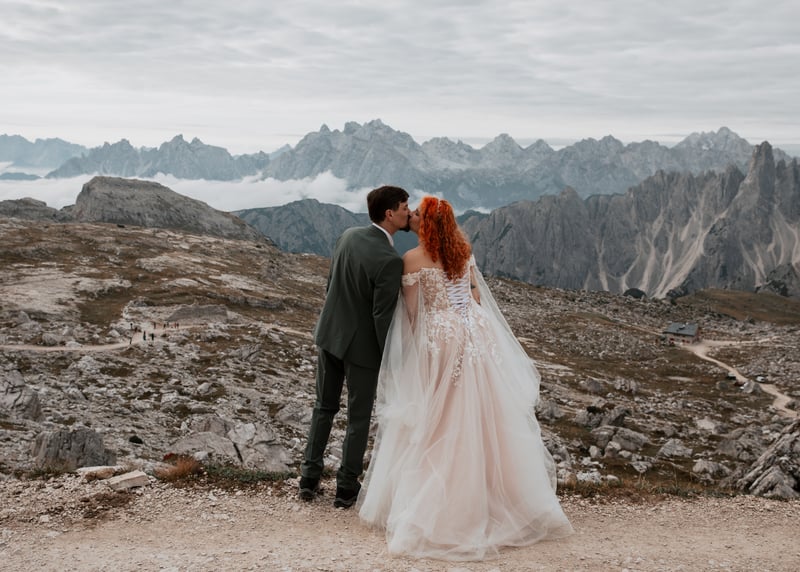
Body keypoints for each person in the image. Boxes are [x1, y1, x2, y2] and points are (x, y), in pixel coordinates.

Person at [357, 196, 573, 560]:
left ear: (427, 225)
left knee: (440, 416)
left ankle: (444, 506)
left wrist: (412, 352)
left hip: (440, 337)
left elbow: (412, 313)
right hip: (475, 333)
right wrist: (468, 322)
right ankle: (495, 496)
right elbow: (474, 294)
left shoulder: (412, 259)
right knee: (484, 413)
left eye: (418, 215)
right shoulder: (464, 251)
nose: (413, 216)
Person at [299, 185, 411, 509]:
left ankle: (308, 478)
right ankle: (346, 487)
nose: (408, 212)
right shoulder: (390, 260)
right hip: (361, 350)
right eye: (405, 207)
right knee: (357, 419)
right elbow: (381, 316)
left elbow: (331, 283)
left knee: (323, 407)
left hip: (329, 335)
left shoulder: (347, 236)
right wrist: (391, 357)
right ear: (389, 214)